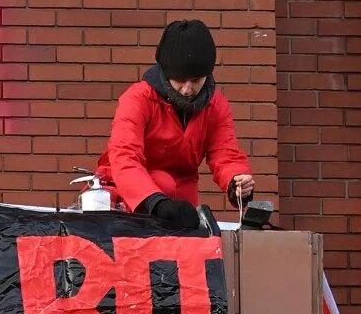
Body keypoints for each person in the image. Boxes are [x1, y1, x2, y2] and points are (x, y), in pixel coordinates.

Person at [95, 19, 256, 230]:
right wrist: (155, 201)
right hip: (126, 196)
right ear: (166, 73)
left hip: (181, 202)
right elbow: (124, 157)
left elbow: (226, 154)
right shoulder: (138, 98)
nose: (187, 89)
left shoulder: (217, 105)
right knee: (165, 182)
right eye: (180, 79)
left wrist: (236, 181)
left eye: (196, 80)